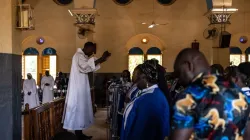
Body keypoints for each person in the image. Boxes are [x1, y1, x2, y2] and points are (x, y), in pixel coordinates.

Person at [171, 48, 250, 140]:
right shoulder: (240, 93)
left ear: (189, 66)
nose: (179, 79)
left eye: (178, 73)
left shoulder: (189, 96)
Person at [62, 42, 111, 140]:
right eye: (91, 50)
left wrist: (102, 60)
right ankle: (76, 134)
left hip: (81, 87)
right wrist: (101, 59)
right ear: (86, 47)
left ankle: (80, 133)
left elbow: (89, 66)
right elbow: (85, 67)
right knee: (77, 110)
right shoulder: (78, 56)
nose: (92, 53)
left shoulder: (82, 56)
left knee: (80, 111)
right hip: (77, 89)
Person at [120, 61, 170, 140]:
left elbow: (142, 131)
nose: (136, 82)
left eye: (137, 78)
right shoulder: (145, 92)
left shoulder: (151, 99)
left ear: (143, 77)